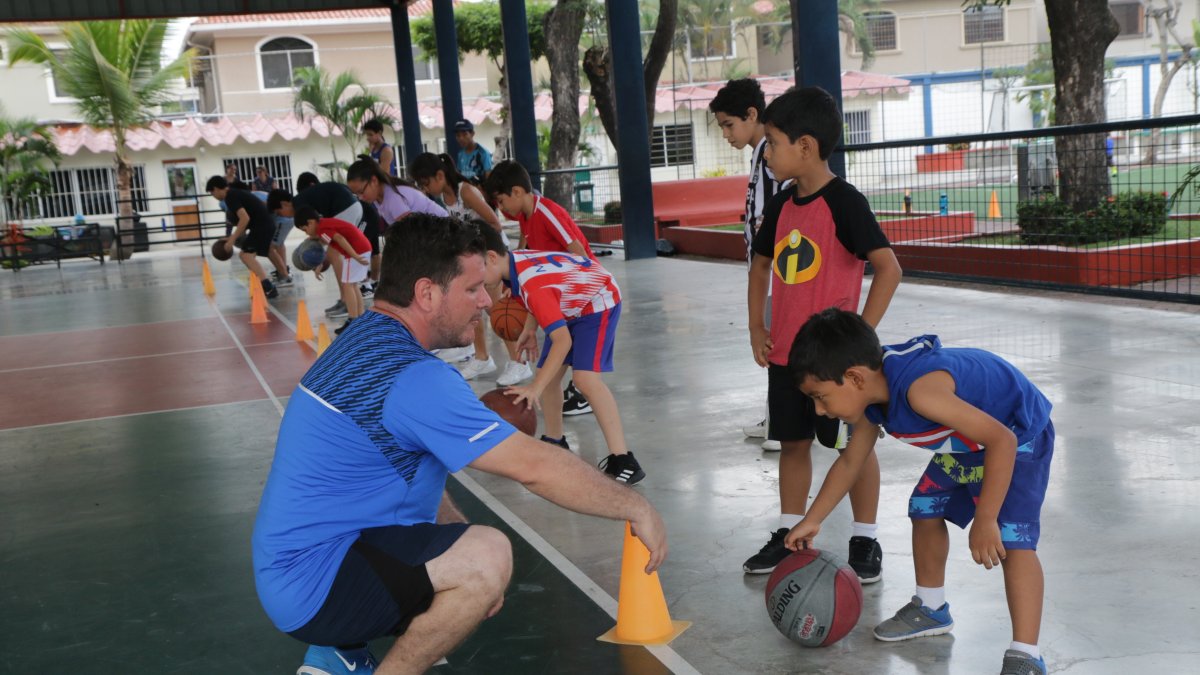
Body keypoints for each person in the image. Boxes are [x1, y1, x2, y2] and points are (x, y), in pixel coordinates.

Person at [252, 214, 667, 675]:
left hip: (299, 565)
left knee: (465, 551)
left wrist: (453, 539)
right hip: (316, 585)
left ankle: (338, 655)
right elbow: (534, 467)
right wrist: (635, 507)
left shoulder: (365, 338)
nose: (487, 301)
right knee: (486, 556)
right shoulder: (415, 377)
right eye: (472, 289)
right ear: (427, 293)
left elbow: (416, 470)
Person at [784, 308, 1055, 675]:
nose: (819, 410)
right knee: (925, 506)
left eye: (821, 397)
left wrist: (986, 519)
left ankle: (1026, 655)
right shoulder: (872, 398)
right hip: (969, 442)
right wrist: (813, 519)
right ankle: (931, 608)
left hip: (1017, 437)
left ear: (854, 377)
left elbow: (1001, 441)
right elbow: (850, 463)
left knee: (1013, 539)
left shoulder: (921, 393)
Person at [741, 86, 903, 579]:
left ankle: (865, 536)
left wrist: (859, 336)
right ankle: (789, 532)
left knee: (854, 447)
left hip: (834, 365)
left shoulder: (845, 203)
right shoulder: (781, 206)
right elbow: (760, 265)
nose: (767, 153)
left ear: (805, 146)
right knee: (792, 443)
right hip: (787, 358)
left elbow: (889, 268)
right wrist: (757, 326)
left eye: (772, 143)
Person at [476, 223, 646, 485]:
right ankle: (555, 441)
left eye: (476, 271)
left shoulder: (530, 282)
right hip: (572, 301)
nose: (476, 281)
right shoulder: (514, 262)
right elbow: (541, 297)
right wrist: (530, 328)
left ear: (490, 257)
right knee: (549, 376)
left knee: (585, 380)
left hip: (598, 301)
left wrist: (534, 388)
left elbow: (562, 340)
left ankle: (623, 460)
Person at [709, 77, 788, 452]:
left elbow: (775, 209)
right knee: (773, 343)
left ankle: (782, 424)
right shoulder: (760, 153)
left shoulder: (771, 154)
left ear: (752, 114)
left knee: (776, 344)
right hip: (763, 267)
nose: (726, 134)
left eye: (729, 125)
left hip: (776, 270)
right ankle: (775, 415)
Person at [483, 160, 596, 418]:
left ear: (517, 192)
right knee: (558, 356)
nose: (501, 208)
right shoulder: (526, 216)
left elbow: (579, 253)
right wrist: (516, 282)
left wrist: (576, 291)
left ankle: (581, 391)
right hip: (559, 290)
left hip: (582, 293)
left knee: (573, 348)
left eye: (501, 201)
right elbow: (527, 254)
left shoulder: (547, 212)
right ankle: (558, 426)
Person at [409, 152, 531, 386]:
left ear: (440, 175)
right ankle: (482, 357)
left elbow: (494, 223)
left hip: (491, 255)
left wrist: (475, 242)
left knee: (498, 311)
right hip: (473, 257)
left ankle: (520, 362)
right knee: (472, 308)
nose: (424, 189)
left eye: (425, 182)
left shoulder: (465, 191)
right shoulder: (445, 196)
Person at [268, 182, 364, 320]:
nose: (282, 216)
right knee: (336, 252)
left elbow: (322, 233)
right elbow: (323, 232)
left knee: (333, 253)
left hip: (346, 209)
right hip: (353, 207)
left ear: (284, 204)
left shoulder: (300, 206)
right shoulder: (303, 200)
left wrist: (316, 251)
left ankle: (346, 301)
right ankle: (347, 300)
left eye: (279, 212)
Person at [294, 206, 370, 335]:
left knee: (347, 285)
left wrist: (355, 256)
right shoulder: (324, 224)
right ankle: (360, 319)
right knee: (352, 285)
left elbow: (339, 238)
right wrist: (319, 264)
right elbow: (330, 243)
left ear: (310, 222)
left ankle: (352, 320)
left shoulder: (322, 228)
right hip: (362, 248)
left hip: (356, 251)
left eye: (305, 229)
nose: (306, 233)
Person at [206, 175, 285, 299]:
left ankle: (269, 288)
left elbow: (244, 218)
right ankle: (283, 276)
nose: (213, 196)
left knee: (246, 255)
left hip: (262, 226)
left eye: (212, 193)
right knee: (263, 251)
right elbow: (247, 218)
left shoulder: (230, 196)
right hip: (264, 225)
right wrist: (230, 238)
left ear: (216, 188)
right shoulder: (234, 193)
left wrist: (232, 240)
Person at [453, 119, 492, 184]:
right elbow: (459, 175)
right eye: (458, 135)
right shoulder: (460, 154)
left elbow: (489, 179)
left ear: (472, 134)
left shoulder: (483, 153)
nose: (461, 138)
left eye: (465, 134)